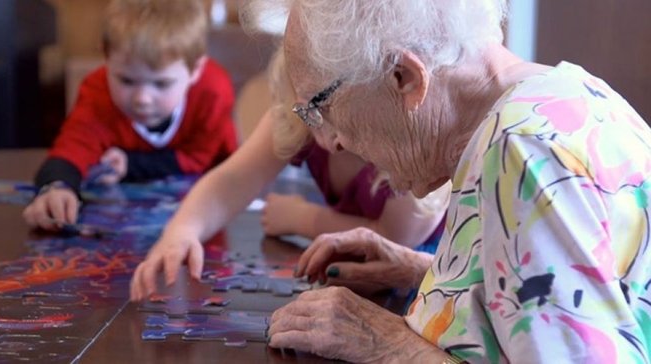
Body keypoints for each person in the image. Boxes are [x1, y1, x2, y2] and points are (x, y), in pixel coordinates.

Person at [241, 0, 651, 363]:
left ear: (404, 77)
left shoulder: (525, 149)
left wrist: (389, 345)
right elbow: (555, 301)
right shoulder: (571, 91)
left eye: (321, 106)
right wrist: (425, 272)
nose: (331, 140)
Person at [129, 48, 450, 301]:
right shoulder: (302, 113)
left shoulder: (410, 135)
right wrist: (181, 231)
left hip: (431, 280)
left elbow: (393, 241)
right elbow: (230, 182)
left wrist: (303, 219)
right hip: (348, 274)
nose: (327, 138)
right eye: (308, 111)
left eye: (330, 111)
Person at [23, 0, 237, 231]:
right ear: (106, 60)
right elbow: (72, 148)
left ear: (195, 70)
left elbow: (198, 158)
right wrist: (56, 187)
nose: (142, 98)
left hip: (209, 215)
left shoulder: (213, 91)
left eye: (162, 83)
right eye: (126, 80)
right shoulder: (97, 92)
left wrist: (131, 164)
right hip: (123, 223)